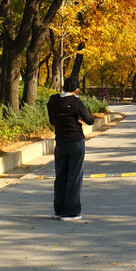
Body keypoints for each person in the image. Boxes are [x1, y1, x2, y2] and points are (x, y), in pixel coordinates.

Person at [47, 77, 95, 221]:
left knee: (61, 175)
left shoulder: (53, 101)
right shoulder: (76, 102)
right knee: (74, 176)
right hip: (75, 141)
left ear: (62, 87)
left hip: (60, 141)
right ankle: (71, 212)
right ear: (77, 90)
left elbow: (52, 121)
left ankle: (59, 210)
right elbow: (90, 120)